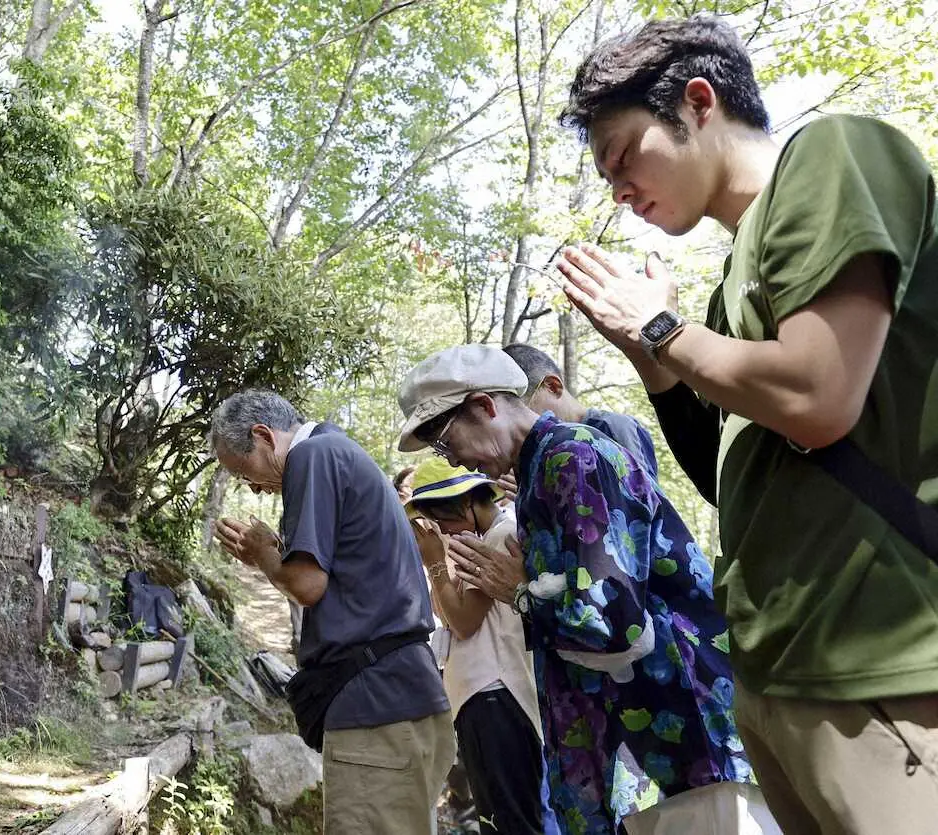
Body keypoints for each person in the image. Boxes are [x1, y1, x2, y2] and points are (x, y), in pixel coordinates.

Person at [554, 16, 938, 834]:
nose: (618, 189)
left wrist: (663, 327)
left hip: (879, 666)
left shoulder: (836, 154)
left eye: (623, 155)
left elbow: (818, 395)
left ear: (699, 103)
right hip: (778, 676)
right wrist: (652, 353)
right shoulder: (734, 275)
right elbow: (736, 478)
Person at [397, 343, 776, 835]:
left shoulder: (574, 458)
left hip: (679, 740)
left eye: (447, 445)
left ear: (485, 407)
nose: (458, 462)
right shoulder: (539, 473)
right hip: (634, 745)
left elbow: (615, 623)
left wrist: (520, 592)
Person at [209, 390, 455, 835]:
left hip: (375, 708)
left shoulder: (311, 456)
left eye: (244, 471)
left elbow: (307, 585)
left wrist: (262, 555)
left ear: (263, 436)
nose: (254, 486)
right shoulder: (339, 452)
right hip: (408, 696)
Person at [405, 457, 552, 834]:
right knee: (498, 814)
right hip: (482, 695)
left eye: (444, 520)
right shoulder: (480, 540)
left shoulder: (502, 536)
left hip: (496, 693)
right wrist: (440, 566)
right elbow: (447, 611)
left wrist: (436, 562)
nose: (445, 531)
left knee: (510, 818)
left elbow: (465, 622)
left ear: (466, 504)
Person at [503, 342, 659, 479]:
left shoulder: (615, 427)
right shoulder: (535, 452)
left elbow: (646, 503)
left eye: (527, 413)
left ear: (553, 387)